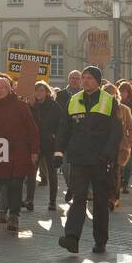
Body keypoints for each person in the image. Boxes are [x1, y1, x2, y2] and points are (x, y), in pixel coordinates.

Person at [54, 66, 121, 255]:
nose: (85, 81)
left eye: (89, 78)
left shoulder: (109, 101)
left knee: (100, 202)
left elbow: (116, 132)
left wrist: (107, 154)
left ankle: (100, 241)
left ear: (98, 81)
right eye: (83, 77)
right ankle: (72, 238)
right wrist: (58, 152)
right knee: (78, 199)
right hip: (79, 159)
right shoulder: (74, 100)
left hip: (101, 161)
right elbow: (64, 129)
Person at [0, 74, 40, 234]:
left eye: (3, 88)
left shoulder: (21, 106)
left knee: (16, 183)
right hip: (1, 150)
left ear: (9, 89)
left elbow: (32, 129)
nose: (0, 91)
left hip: (20, 150)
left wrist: (35, 150)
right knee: (3, 183)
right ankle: (3, 208)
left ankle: (14, 215)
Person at [28, 81, 62, 212]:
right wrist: (31, 106)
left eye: (41, 90)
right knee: (31, 173)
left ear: (47, 92)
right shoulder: (31, 105)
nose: (38, 93)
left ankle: (52, 202)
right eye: (36, 90)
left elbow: (61, 123)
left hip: (49, 144)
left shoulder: (54, 106)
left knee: (52, 173)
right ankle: (30, 200)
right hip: (35, 144)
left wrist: (55, 136)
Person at [103, 83, 132, 210]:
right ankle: (105, 195)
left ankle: (114, 198)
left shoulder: (124, 109)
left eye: (112, 95)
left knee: (115, 173)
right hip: (103, 146)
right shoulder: (99, 109)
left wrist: (128, 142)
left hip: (119, 148)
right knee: (104, 173)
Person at [57, 68, 84, 202]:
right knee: (65, 167)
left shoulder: (85, 95)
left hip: (80, 137)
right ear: (68, 79)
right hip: (65, 135)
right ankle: (71, 187)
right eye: (72, 78)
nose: (74, 80)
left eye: (77, 78)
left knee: (78, 166)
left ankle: (76, 189)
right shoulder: (61, 95)